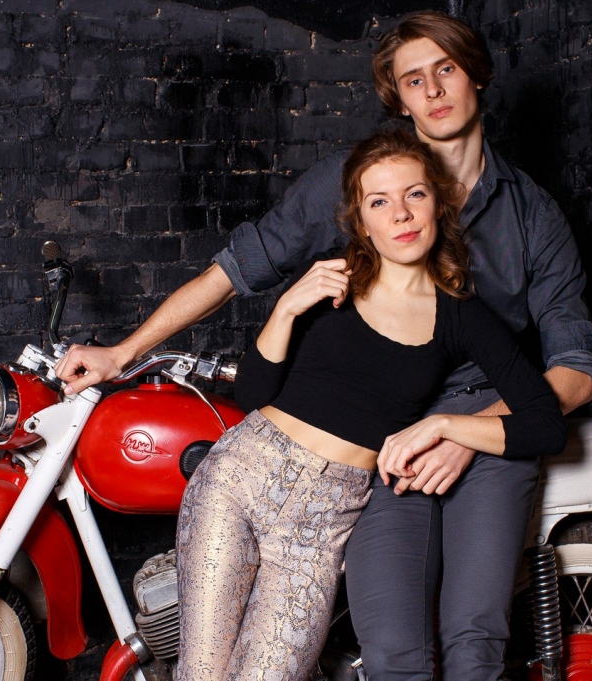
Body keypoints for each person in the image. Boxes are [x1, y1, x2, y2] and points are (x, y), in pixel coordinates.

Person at [55, 11, 592, 680]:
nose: (433, 91)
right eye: (414, 79)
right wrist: (124, 352)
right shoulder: (358, 180)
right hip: (370, 447)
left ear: (477, 76)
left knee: (472, 636)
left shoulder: (532, 218)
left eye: (447, 70)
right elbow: (237, 270)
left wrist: (466, 431)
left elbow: (573, 371)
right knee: (389, 647)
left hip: (485, 424)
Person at [173, 129, 566, 681]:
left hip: (323, 523)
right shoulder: (333, 280)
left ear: (439, 205)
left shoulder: (461, 315)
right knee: (202, 673)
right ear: (361, 222)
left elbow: (546, 424)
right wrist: (285, 309)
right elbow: (255, 396)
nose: (400, 214)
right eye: (379, 202)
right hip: (241, 479)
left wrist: (446, 425)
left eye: (415, 195)